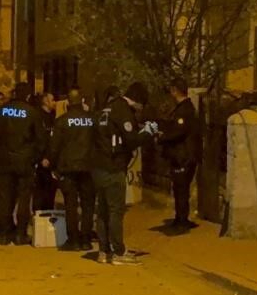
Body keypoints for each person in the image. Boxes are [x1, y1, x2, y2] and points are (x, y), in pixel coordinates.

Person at [92, 82, 154, 265]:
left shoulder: (106, 109)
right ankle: (118, 252)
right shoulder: (123, 110)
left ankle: (103, 251)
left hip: (98, 166)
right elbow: (131, 140)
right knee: (115, 211)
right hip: (113, 167)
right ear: (138, 100)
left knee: (103, 211)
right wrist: (147, 132)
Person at [0, 84, 44, 244]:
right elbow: (41, 140)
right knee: (24, 198)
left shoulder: (1, 111)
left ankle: (5, 233)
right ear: (28, 96)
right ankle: (20, 233)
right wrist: (34, 159)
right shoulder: (32, 112)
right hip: (25, 161)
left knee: (5, 198)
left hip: (4, 160)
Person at [49, 88, 98, 253]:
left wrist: (52, 164)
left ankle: (74, 240)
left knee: (70, 204)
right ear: (82, 101)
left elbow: (54, 146)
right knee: (88, 204)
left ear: (68, 102)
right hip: (89, 167)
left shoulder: (62, 121)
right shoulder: (92, 119)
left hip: (68, 168)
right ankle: (86, 239)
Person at [157, 79, 201, 233]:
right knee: (180, 188)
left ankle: (182, 221)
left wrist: (161, 137)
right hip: (183, 155)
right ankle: (180, 218)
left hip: (183, 156)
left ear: (175, 90)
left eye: (172, 90)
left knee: (181, 188)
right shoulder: (185, 108)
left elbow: (178, 131)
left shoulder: (184, 110)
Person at [33, 91, 58, 212]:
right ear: (45, 101)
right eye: (52, 100)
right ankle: (38, 215)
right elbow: (35, 140)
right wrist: (40, 158)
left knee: (50, 191)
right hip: (40, 161)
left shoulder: (53, 117)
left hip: (51, 160)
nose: (55, 103)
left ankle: (48, 214)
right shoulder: (37, 117)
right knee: (39, 191)